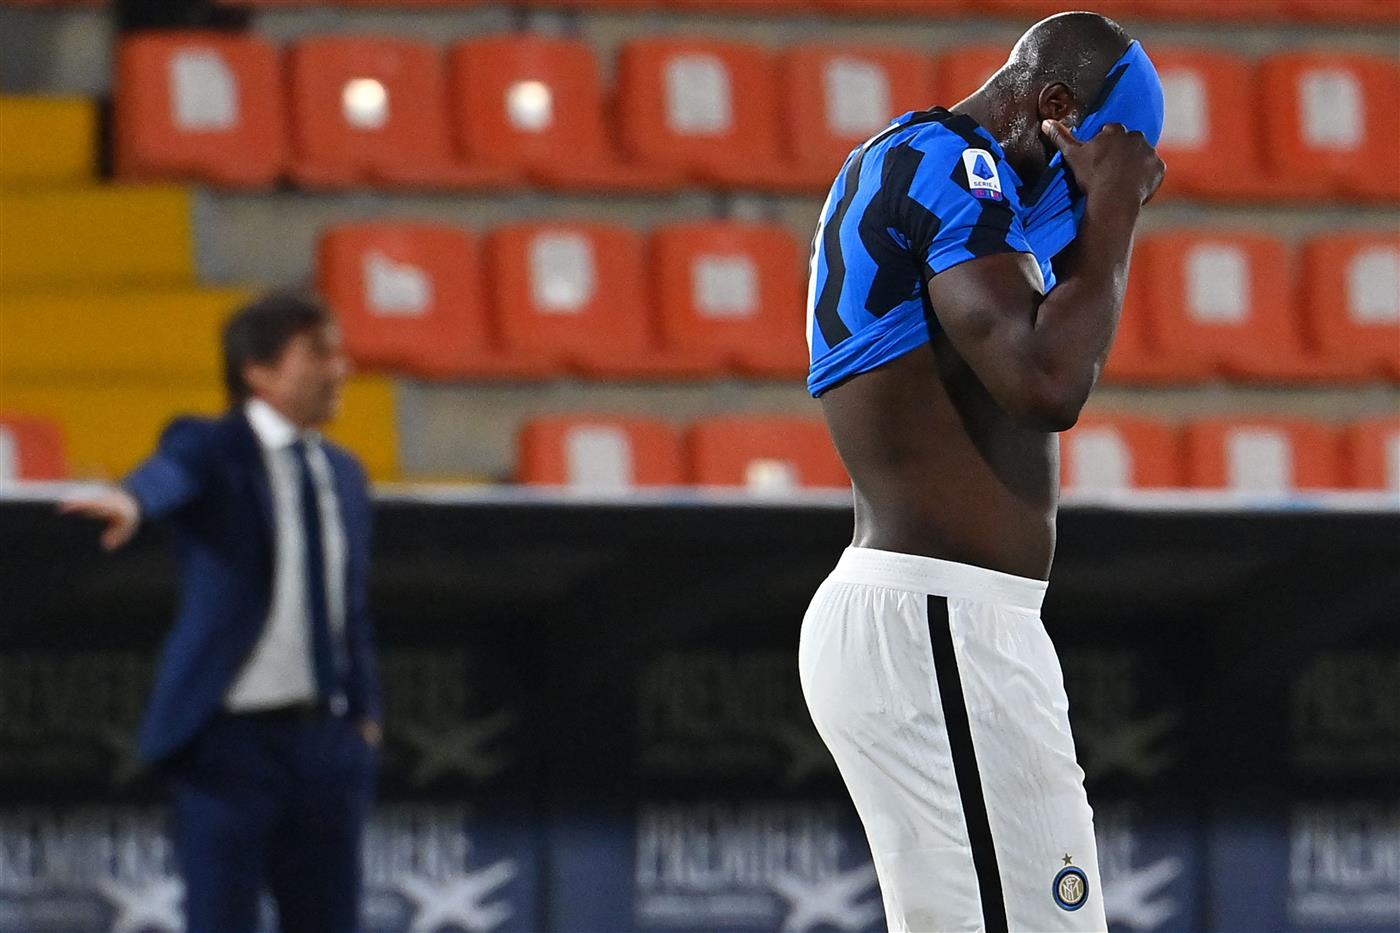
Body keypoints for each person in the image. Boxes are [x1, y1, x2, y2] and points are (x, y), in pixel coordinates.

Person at [798, 12, 1165, 933]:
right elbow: (1046, 381)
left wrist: (1102, 202)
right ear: (1054, 109)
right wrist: (1114, 211)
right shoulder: (942, 163)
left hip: (942, 622)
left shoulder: (964, 176)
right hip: (938, 618)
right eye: (1109, 151)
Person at [62, 292, 383, 933]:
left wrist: (367, 713)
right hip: (227, 744)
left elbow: (351, 608)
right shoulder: (213, 446)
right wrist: (132, 501)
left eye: (340, 351)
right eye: (318, 351)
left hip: (327, 743)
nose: (340, 367)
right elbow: (171, 473)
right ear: (257, 371)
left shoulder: (345, 474)